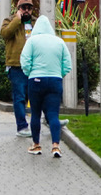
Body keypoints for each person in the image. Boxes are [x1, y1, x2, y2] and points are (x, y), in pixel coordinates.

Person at [21, 14, 73, 158]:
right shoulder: (59, 42)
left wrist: (30, 73)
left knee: (36, 114)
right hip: (55, 80)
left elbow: (25, 61)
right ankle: (56, 145)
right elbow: (67, 64)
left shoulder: (32, 41)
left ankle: (36, 145)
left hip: (36, 80)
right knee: (53, 115)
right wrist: (58, 73)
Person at [1, 0, 35, 137]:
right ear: (18, 9)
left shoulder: (35, 22)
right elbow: (5, 34)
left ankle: (50, 120)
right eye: (23, 7)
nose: (26, 10)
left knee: (38, 95)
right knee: (19, 97)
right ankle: (22, 126)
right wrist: (17, 19)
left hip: (34, 66)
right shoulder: (10, 21)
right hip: (16, 65)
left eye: (29, 8)